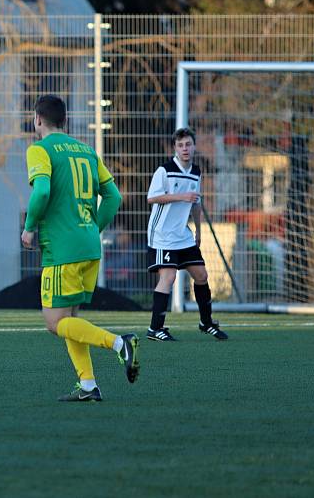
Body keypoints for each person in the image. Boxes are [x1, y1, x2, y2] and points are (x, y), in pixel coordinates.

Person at [21, 95, 138, 402]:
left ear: (37, 120)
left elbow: (42, 190)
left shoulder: (39, 149)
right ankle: (88, 384)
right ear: (66, 120)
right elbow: (113, 197)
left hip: (62, 250)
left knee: (55, 323)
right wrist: (92, 229)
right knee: (70, 319)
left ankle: (118, 343)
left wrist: (29, 226)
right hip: (89, 246)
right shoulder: (86, 151)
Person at [145, 127, 228, 341]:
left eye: (188, 144)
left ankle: (206, 323)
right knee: (169, 277)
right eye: (180, 145)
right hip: (162, 235)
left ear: (194, 146)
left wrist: (199, 231)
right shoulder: (164, 170)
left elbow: (196, 204)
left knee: (201, 275)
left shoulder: (196, 172)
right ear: (175, 147)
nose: (185, 149)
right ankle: (155, 329)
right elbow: (152, 198)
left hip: (183, 235)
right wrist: (181, 196)